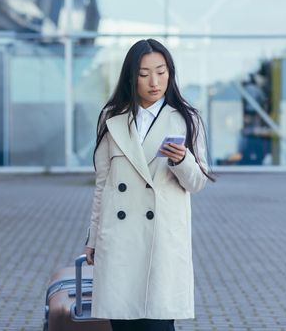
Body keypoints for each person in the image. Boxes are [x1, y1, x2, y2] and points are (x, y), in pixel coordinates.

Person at [83, 38, 216, 331]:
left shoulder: (186, 119)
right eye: (144, 74)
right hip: (119, 239)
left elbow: (197, 183)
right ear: (131, 77)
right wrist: (93, 238)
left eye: (161, 71)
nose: (154, 82)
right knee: (123, 325)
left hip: (161, 241)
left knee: (157, 324)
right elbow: (103, 184)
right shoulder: (111, 119)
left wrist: (182, 160)